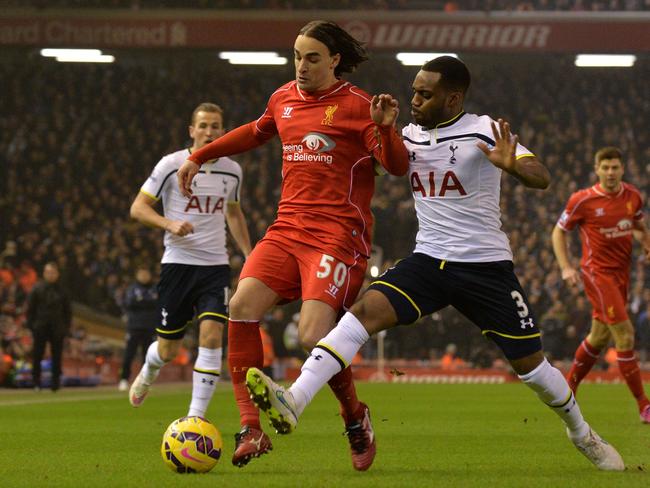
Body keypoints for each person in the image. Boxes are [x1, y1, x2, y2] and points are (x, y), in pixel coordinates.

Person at [245, 56, 625, 471]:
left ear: (453, 98)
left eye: (425, 94)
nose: (415, 100)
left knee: (532, 370)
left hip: (484, 267)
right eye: (414, 91)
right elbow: (373, 161)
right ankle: (295, 400)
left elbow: (541, 175)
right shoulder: (407, 135)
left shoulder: (483, 129)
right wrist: (377, 130)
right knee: (361, 315)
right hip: (428, 260)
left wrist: (513, 164)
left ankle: (580, 432)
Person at [176, 20, 408, 469]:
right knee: (241, 305)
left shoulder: (360, 106)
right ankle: (251, 429)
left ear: (335, 60)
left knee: (312, 336)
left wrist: (386, 129)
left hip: (338, 236)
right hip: (287, 230)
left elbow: (395, 167)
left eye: (312, 58)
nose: (301, 66)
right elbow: (254, 131)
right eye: (297, 56)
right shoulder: (283, 98)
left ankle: (355, 417)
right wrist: (200, 154)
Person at [128, 103, 252, 423]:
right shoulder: (171, 164)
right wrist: (169, 224)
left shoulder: (232, 170)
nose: (209, 131)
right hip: (178, 264)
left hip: (216, 266)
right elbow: (138, 208)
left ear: (224, 131)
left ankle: (194, 419)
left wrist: (250, 255)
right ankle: (150, 367)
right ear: (192, 130)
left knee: (212, 336)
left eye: (216, 126)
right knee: (168, 350)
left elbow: (233, 213)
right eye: (204, 125)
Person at [551, 146, 650, 422]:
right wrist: (566, 267)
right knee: (625, 335)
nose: (610, 172)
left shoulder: (633, 197)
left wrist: (646, 244)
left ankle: (568, 389)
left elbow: (640, 226)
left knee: (599, 336)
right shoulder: (582, 200)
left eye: (615, 167)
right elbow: (558, 232)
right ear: (597, 169)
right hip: (597, 274)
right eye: (605, 168)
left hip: (621, 276)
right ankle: (644, 405)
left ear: (622, 169)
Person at [26, 262, 71, 392]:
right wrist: (31, 326)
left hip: (57, 328)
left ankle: (55, 383)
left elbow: (67, 311)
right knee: (37, 355)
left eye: (53, 272)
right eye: (48, 272)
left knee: (57, 356)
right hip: (40, 327)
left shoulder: (63, 291)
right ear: (44, 273)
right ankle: (36, 382)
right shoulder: (37, 288)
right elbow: (30, 309)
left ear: (57, 274)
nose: (50, 275)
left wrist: (65, 328)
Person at [118, 266, 158, 392]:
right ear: (137, 275)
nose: (144, 277)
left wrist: (141, 302)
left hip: (150, 326)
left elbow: (158, 303)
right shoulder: (132, 289)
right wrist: (148, 302)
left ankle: (144, 381)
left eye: (146, 274)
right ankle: (124, 379)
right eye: (141, 274)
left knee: (148, 356)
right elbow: (129, 303)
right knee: (129, 354)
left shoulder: (155, 288)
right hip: (134, 326)